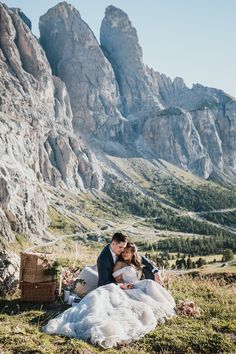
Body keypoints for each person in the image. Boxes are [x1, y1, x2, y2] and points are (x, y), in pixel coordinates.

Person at [43, 241, 175, 348]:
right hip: (120, 285)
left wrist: (155, 271)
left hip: (135, 285)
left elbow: (143, 260)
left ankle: (161, 299)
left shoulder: (135, 259)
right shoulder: (114, 259)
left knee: (149, 284)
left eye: (126, 251)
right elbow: (114, 280)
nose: (123, 253)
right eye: (122, 251)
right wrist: (123, 286)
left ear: (132, 253)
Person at [97, 232, 162, 286]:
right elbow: (103, 282)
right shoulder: (103, 259)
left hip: (133, 283)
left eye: (124, 248)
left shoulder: (119, 251)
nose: (123, 250)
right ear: (113, 243)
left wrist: (155, 272)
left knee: (148, 272)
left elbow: (142, 259)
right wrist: (123, 285)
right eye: (121, 247)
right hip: (113, 286)